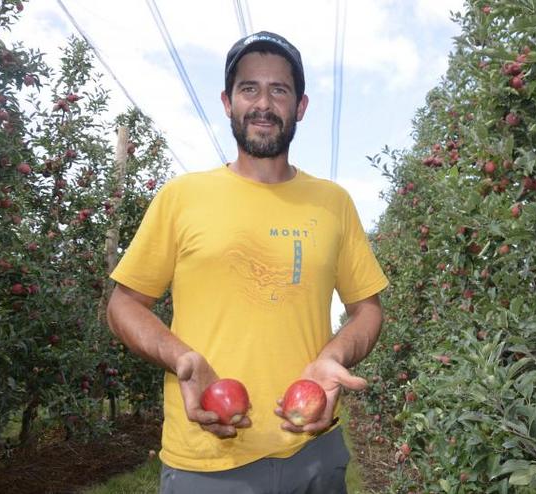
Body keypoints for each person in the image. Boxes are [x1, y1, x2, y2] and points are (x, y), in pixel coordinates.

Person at [106, 31, 388, 494]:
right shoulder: (182, 197)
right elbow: (123, 304)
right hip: (206, 459)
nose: (263, 103)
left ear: (300, 106)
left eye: (279, 89)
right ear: (227, 101)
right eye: (248, 88)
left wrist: (333, 356)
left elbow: (368, 308)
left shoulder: (332, 203)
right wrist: (182, 358)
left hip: (314, 453)